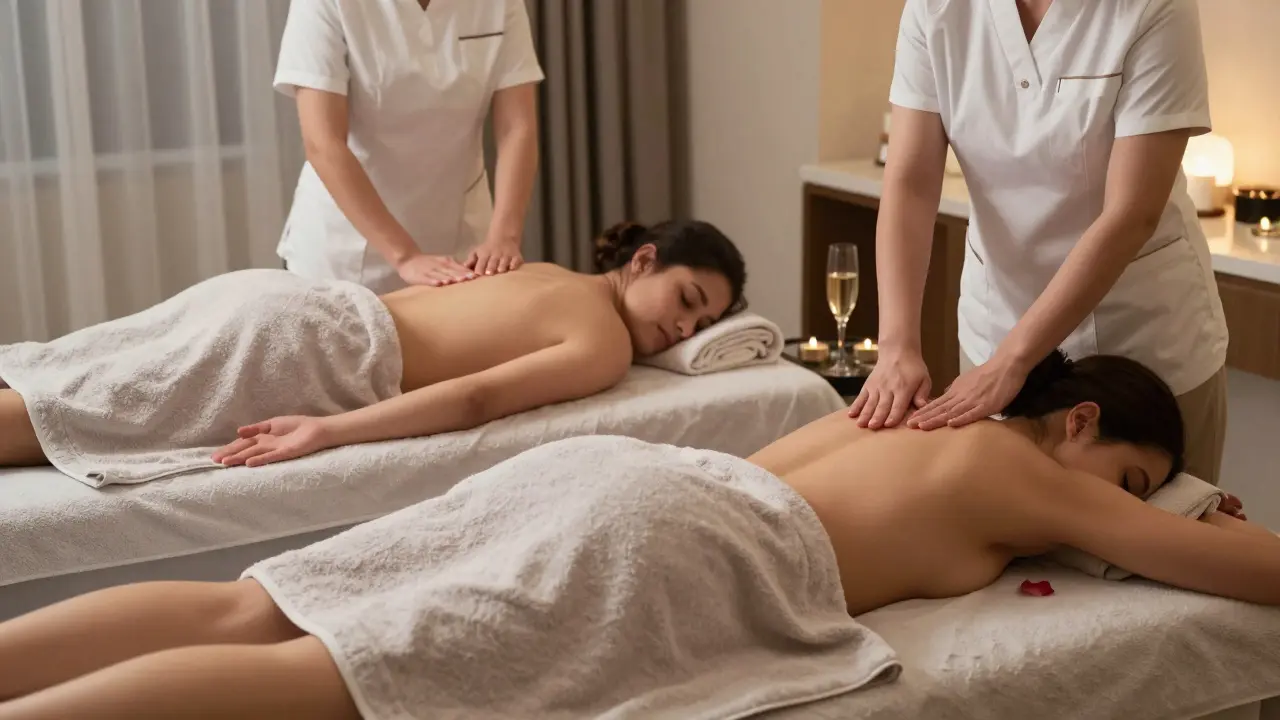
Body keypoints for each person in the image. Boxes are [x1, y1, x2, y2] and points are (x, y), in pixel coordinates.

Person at [1, 350, 1276, 718]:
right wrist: (1170, 509)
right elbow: (1240, 569)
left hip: (616, 475)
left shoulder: (906, 411)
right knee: (338, 677)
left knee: (264, 601)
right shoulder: (1027, 470)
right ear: (1080, 424)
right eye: (1128, 473)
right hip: (677, 535)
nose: (1115, 507)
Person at [0, 221, 746, 477]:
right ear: (643, 261)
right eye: (687, 301)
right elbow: (474, 399)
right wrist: (326, 428)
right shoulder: (604, 343)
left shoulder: (551, 272)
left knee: (69, 382)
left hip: (286, 299)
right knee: (59, 425)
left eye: (700, 326)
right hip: (313, 347)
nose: (682, 332)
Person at [849, 0, 1231, 484]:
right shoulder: (936, 8)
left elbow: (1131, 213)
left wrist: (1013, 361)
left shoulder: (1154, 7)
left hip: (1141, 340)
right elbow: (910, 181)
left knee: (1170, 547)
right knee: (1008, 538)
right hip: (1000, 321)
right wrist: (897, 345)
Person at [275, 0, 543, 292]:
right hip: (346, 252)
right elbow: (323, 142)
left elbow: (516, 128)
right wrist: (405, 256)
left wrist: (504, 236)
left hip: (461, 244)